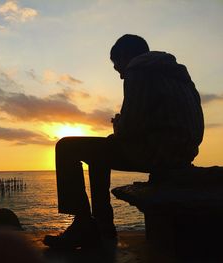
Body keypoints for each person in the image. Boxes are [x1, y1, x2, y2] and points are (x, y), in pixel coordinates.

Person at [43, 34, 204, 249]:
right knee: (99, 152)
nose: (119, 74)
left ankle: (85, 224)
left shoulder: (138, 70)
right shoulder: (178, 75)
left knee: (66, 147)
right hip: (182, 152)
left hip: (155, 151)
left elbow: (130, 128)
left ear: (126, 56)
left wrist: (118, 124)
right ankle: (102, 228)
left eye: (116, 65)